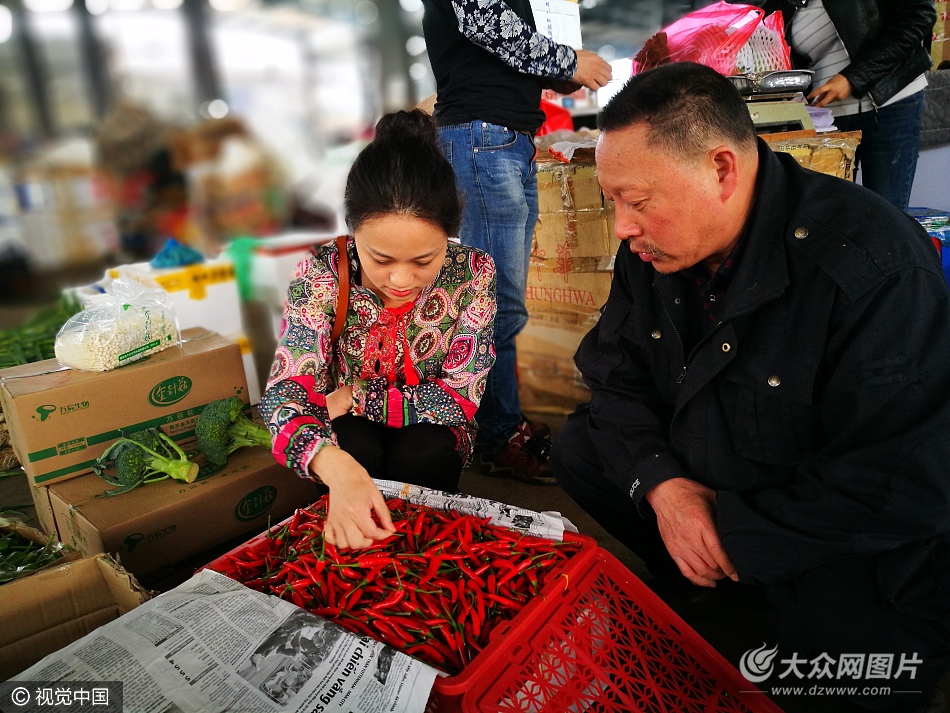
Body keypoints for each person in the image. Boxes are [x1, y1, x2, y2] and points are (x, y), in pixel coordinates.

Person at [551, 62, 950, 712]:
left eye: (638, 201)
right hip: (721, 467)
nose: (622, 226)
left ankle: (726, 574)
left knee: (850, 676)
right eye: (612, 201)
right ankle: (707, 579)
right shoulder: (650, 253)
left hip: (830, 531)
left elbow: (903, 484)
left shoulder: (872, 268)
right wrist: (666, 488)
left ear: (721, 169)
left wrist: (733, 532)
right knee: (580, 445)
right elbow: (613, 376)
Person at [259, 109, 496, 550]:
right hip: (349, 428)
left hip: (426, 428)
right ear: (352, 233)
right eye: (381, 259)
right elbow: (285, 393)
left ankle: (423, 545)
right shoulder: (323, 269)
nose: (401, 281)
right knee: (353, 446)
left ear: (450, 235)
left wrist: (355, 396)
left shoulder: (473, 272)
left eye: (424, 261)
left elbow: (460, 395)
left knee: (425, 451)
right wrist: (335, 464)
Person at [421, 0, 612, 484]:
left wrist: (552, 74)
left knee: (501, 301)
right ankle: (497, 436)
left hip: (504, 139)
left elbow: (493, 47)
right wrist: (569, 61)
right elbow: (485, 22)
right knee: (495, 304)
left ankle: (496, 426)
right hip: (484, 138)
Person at [753, 0, 935, 211]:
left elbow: (919, 16)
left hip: (889, 101)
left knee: (886, 216)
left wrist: (853, 78)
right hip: (829, 118)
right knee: (831, 217)